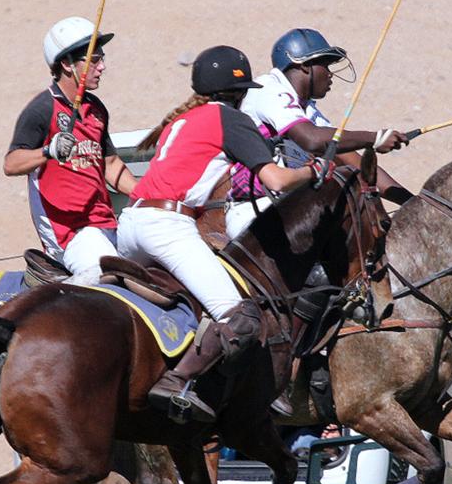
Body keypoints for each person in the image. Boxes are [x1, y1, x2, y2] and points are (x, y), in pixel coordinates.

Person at [117, 45, 326, 423]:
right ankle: (176, 382)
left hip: (130, 226)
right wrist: (314, 171)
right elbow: (276, 180)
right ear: (242, 92)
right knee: (241, 316)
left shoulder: (180, 122)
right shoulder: (229, 118)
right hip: (166, 226)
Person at [226, 27, 410, 239]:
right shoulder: (268, 89)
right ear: (304, 65)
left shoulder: (306, 109)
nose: (330, 74)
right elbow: (311, 139)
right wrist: (374, 138)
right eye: (325, 65)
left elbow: (352, 161)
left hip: (288, 210)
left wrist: (410, 201)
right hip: (254, 209)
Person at [5, 17, 138, 286]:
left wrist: (150, 195)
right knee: (110, 283)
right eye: (94, 60)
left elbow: (110, 165)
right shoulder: (42, 109)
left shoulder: (97, 109)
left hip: (107, 222)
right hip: (70, 233)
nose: (102, 67)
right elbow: (11, 164)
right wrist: (48, 150)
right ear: (66, 64)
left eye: (102, 59)